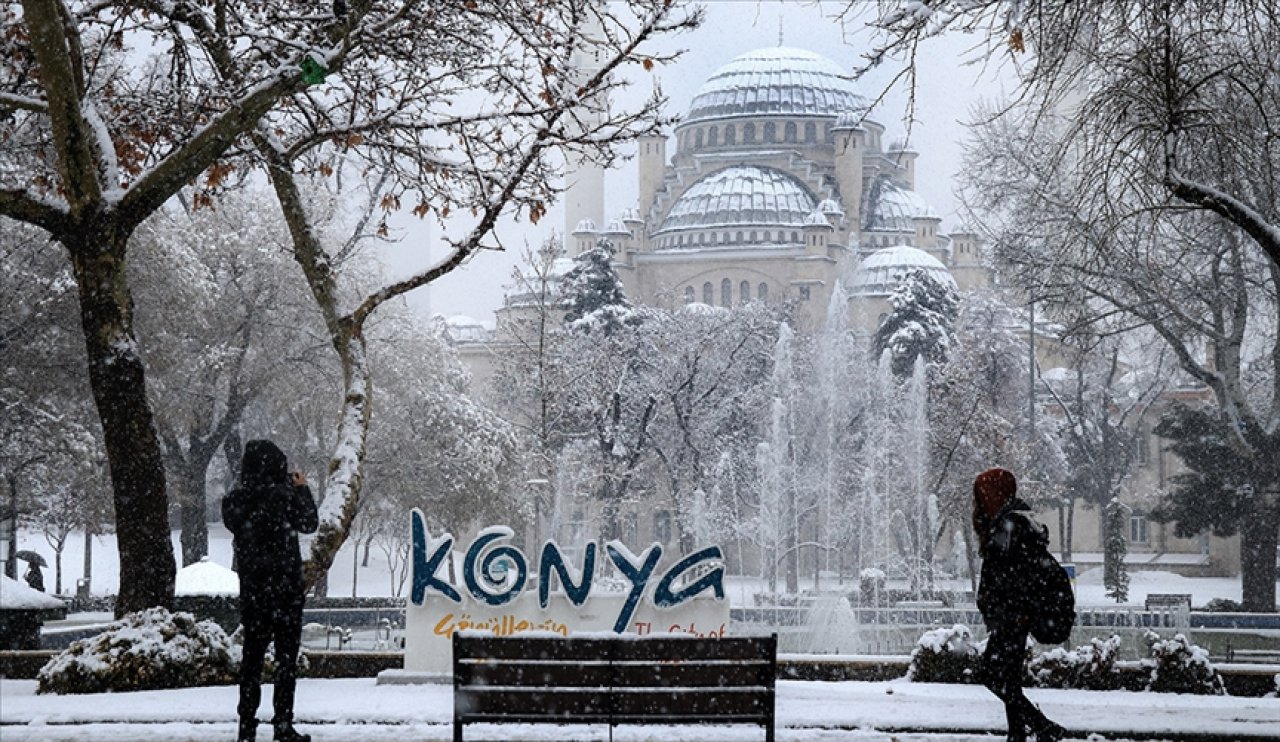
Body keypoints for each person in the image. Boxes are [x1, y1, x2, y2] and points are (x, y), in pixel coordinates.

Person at [223, 440, 319, 742]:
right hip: (286, 591)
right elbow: (310, 523)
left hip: (253, 592)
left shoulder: (235, 502)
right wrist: (301, 488)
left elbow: (237, 523)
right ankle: (282, 723)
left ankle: (246, 724)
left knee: (252, 660)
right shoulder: (286, 498)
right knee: (285, 661)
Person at [972, 467, 1065, 742]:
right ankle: (1023, 733)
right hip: (1012, 614)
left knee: (992, 674)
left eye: (984, 494)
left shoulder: (1011, 525)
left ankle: (1039, 726)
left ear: (998, 493)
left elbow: (1013, 574)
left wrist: (1014, 611)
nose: (980, 501)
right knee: (1006, 676)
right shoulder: (1014, 521)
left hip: (1013, 615)